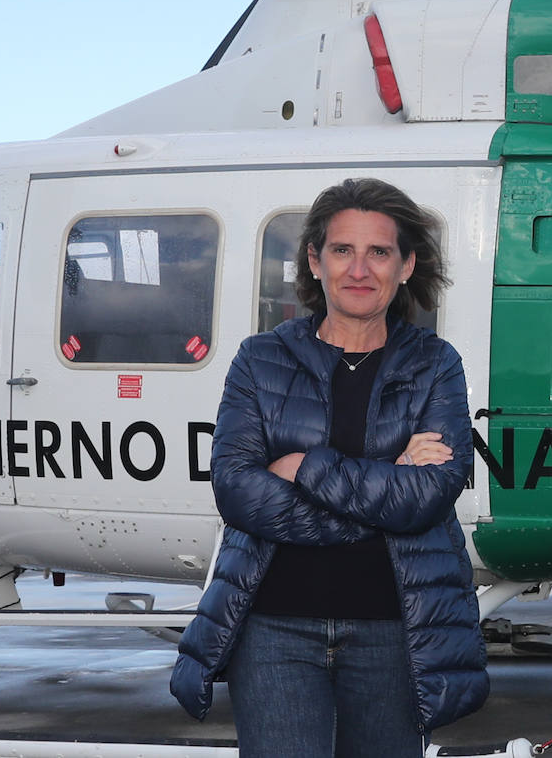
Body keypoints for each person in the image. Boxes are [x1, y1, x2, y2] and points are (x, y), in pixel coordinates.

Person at [171, 178, 489, 756]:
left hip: (395, 632)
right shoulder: (260, 358)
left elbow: (428, 497)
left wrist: (308, 467)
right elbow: (237, 489)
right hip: (273, 629)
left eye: (379, 252)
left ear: (406, 263)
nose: (359, 269)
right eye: (343, 250)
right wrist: (386, 480)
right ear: (315, 261)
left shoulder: (435, 364)